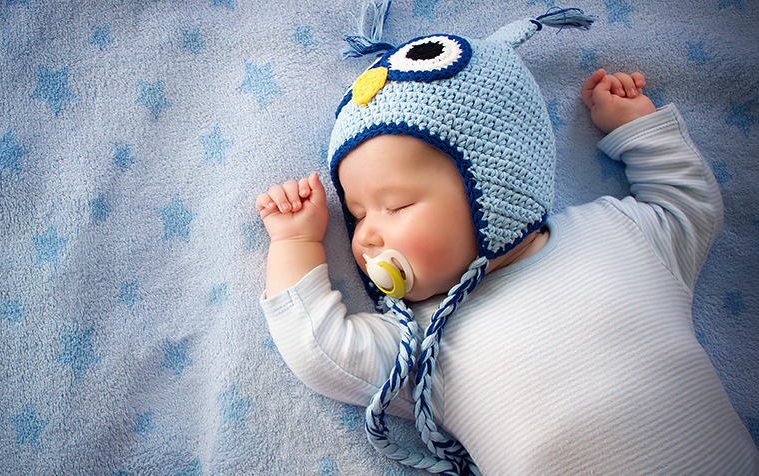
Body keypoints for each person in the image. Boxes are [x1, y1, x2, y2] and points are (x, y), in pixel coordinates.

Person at [254, 13, 759, 476]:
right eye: (358, 214)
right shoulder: (423, 341)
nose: (364, 235)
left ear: (496, 184)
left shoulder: (618, 232)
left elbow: (687, 205)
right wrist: (296, 241)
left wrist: (637, 128)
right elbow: (323, 349)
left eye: (397, 205)